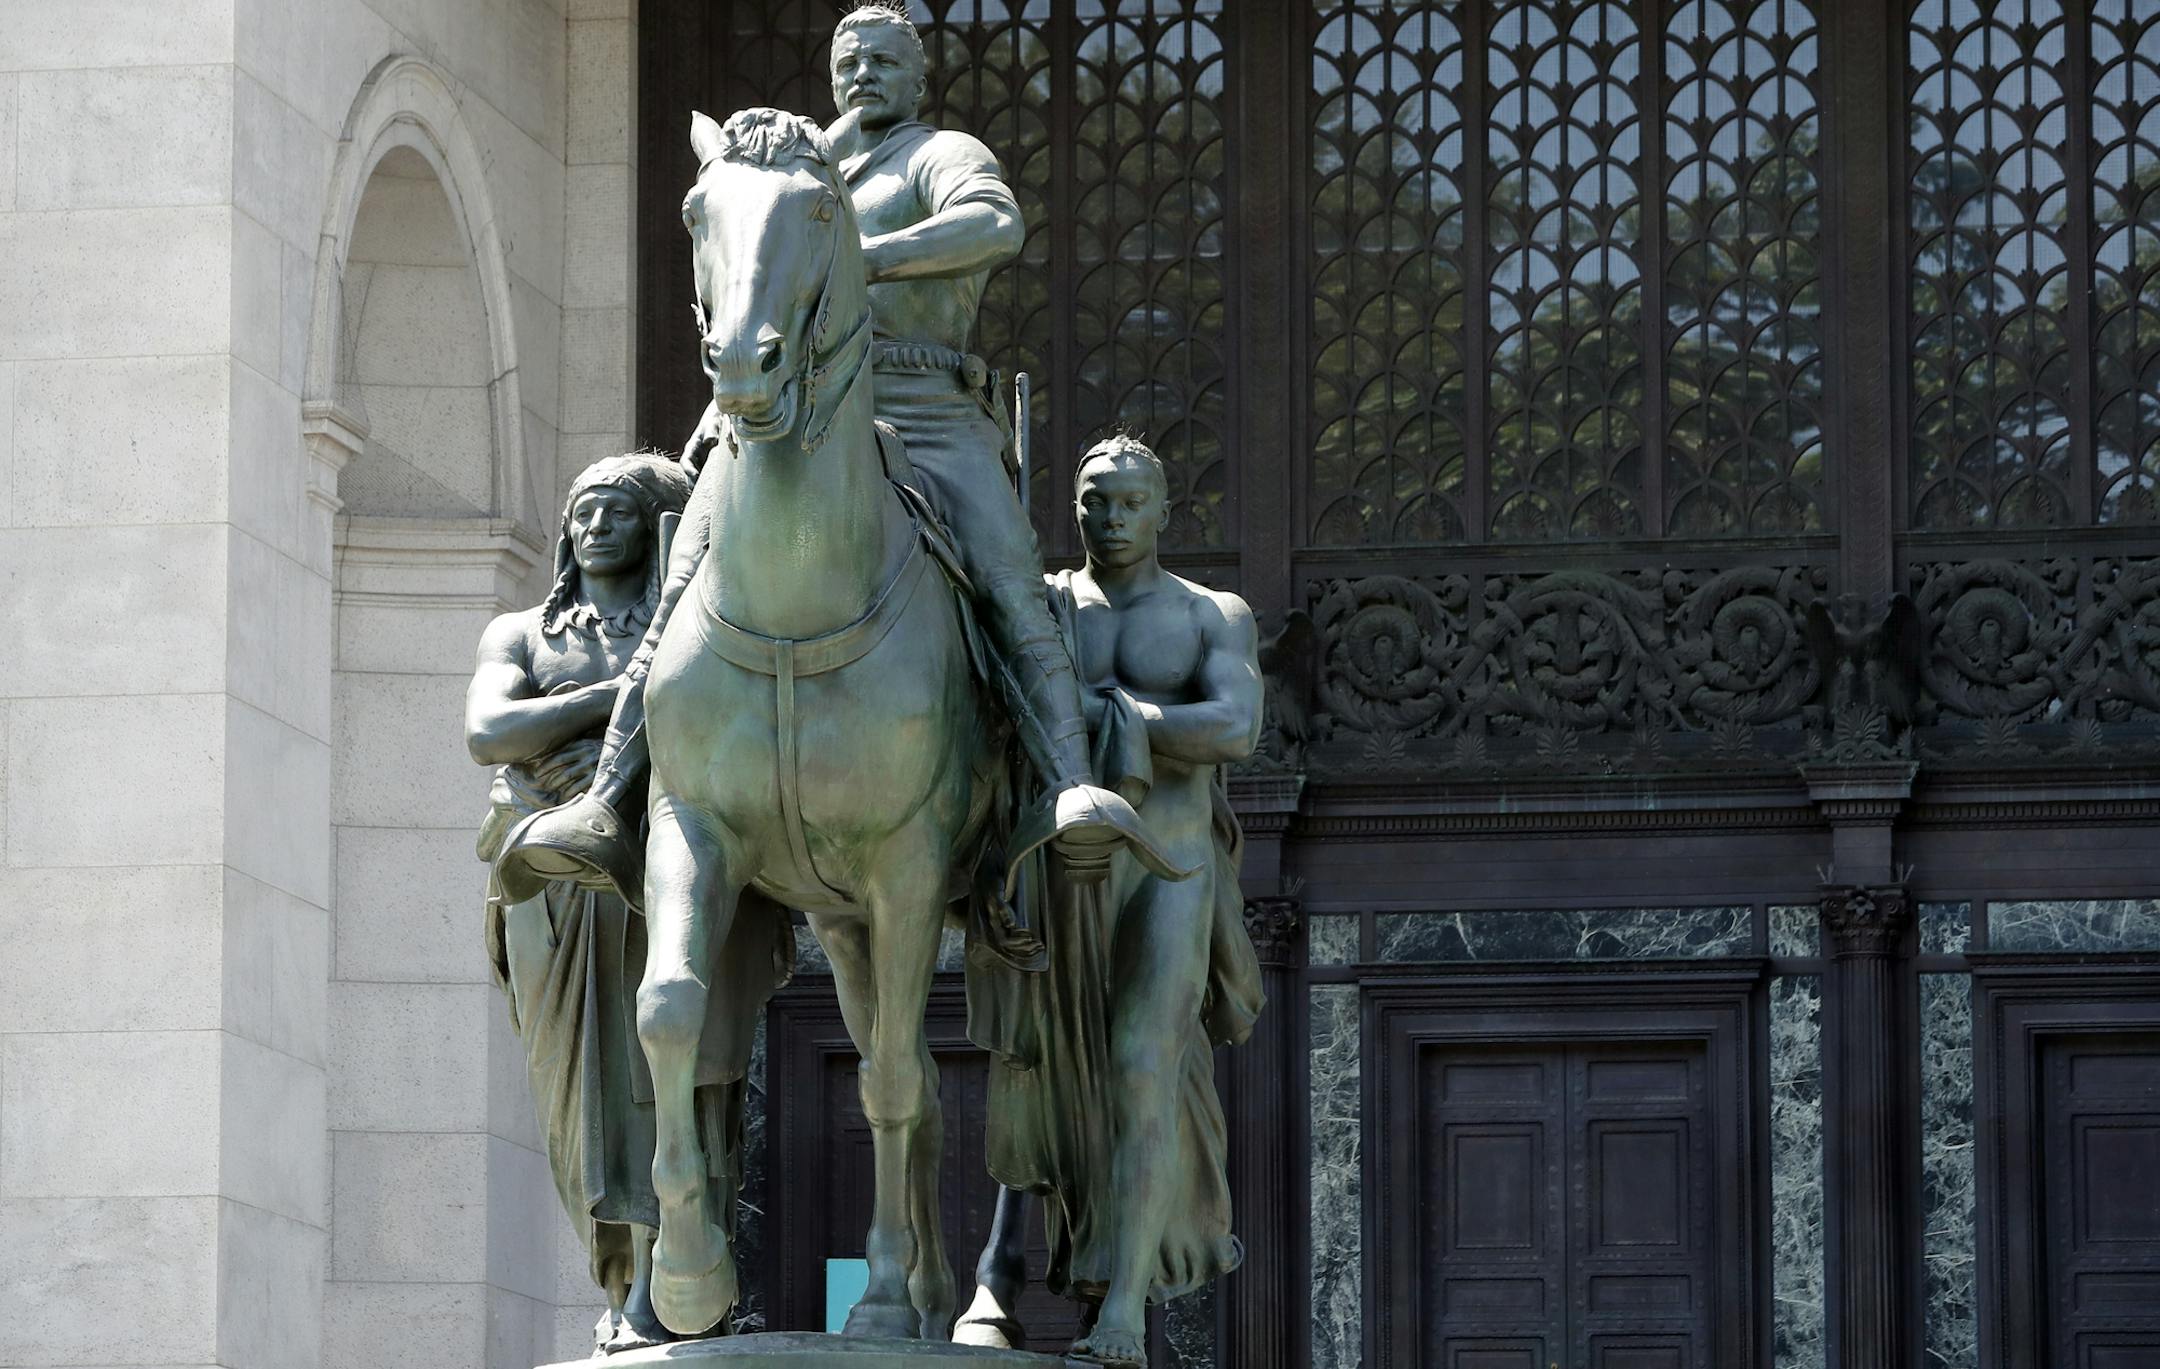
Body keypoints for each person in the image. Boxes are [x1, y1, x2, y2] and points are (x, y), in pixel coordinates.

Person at [493, 2, 1175, 911]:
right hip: (786, 409)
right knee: (679, 584)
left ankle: (1067, 786)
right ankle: (611, 802)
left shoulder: (941, 154)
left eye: (885, 60)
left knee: (1009, 575)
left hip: (924, 405)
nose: (864, 75)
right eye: (849, 60)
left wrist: (859, 255)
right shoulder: (802, 163)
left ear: (919, 75)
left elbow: (994, 224)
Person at [465, 454, 789, 1352]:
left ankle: (672, 1282)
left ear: (660, 530)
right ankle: (619, 1272)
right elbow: (488, 731)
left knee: (671, 1079)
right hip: (556, 891)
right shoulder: (522, 635)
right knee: (584, 1101)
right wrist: (627, 700)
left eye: (616, 512)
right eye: (582, 511)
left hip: (668, 881)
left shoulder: (701, 626)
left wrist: (579, 722)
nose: (595, 527)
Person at [959, 435, 1266, 1366]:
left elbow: (1238, 726)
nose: (1111, 518)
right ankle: (999, 1270)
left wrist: (1122, 717)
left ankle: (1125, 1304)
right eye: (1094, 500)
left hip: (1169, 867)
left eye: (1131, 502)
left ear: (1165, 511)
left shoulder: (1214, 614)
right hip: (1063, 863)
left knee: (1142, 1062)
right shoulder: (1045, 606)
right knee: (1041, 1066)